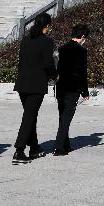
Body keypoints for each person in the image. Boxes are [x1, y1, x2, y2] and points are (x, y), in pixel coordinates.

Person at [12, 13, 56, 164]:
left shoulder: (26, 40)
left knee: (30, 115)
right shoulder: (47, 42)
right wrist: (55, 76)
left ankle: (35, 147)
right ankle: (19, 150)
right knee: (29, 116)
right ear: (47, 25)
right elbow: (48, 64)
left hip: (22, 83)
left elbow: (21, 62)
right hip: (36, 84)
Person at [53, 24, 90, 156]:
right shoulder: (81, 51)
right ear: (83, 36)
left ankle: (65, 143)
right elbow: (82, 73)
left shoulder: (62, 49)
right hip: (73, 88)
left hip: (61, 86)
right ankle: (59, 147)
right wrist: (85, 92)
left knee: (62, 116)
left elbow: (58, 69)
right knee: (67, 117)